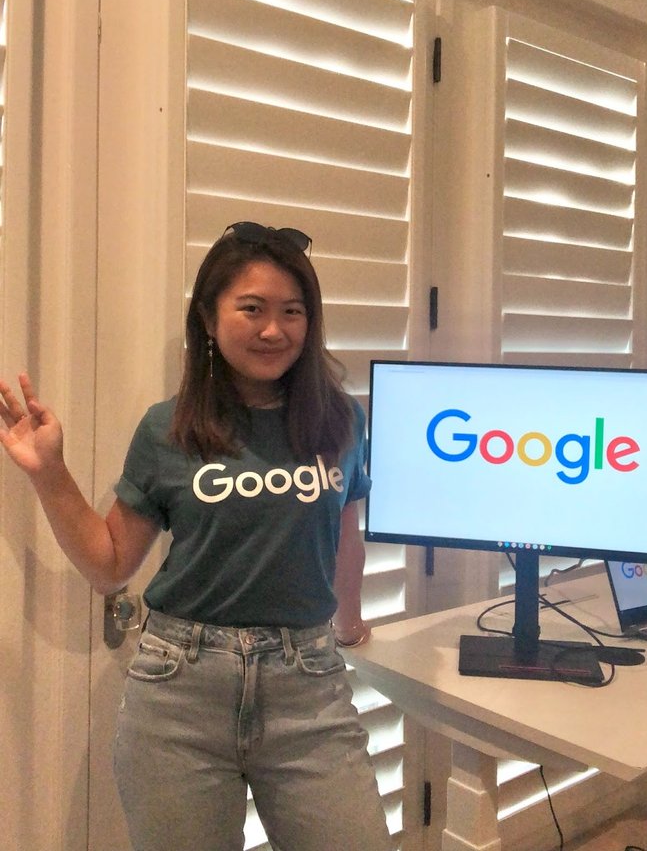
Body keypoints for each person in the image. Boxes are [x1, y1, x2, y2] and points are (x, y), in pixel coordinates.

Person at [0, 222, 392, 851]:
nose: (274, 329)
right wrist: (50, 472)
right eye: (252, 308)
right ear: (209, 319)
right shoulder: (169, 428)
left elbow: (347, 535)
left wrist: (349, 627)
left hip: (307, 688)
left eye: (293, 311)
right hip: (180, 691)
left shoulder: (342, 420)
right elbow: (110, 566)